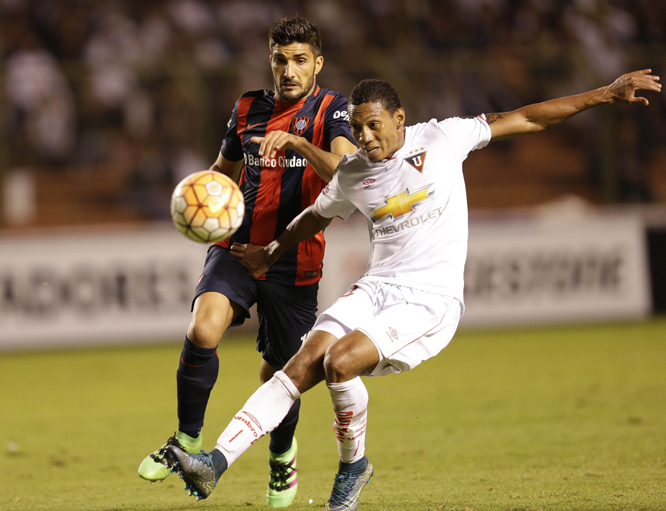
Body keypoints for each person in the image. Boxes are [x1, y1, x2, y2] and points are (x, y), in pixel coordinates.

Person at [156, 69, 661, 509]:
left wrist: (603, 95)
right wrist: (272, 252)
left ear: (400, 118)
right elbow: (314, 215)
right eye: (356, 127)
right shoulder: (355, 172)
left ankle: (352, 468)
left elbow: (527, 118)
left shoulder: (443, 138)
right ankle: (216, 461)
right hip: (376, 288)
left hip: (430, 301)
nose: (365, 136)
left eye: (374, 125)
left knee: (340, 362)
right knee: (301, 365)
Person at [137, 17, 358, 509]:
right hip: (236, 247)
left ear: (317, 63)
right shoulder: (246, 107)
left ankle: (282, 459)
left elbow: (346, 172)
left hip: (294, 259)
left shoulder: (332, 109)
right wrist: (198, 200)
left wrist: (300, 144)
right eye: (280, 59)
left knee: (280, 375)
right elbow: (224, 173)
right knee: (203, 329)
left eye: (300, 60)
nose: (289, 70)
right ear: (270, 60)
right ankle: (186, 440)